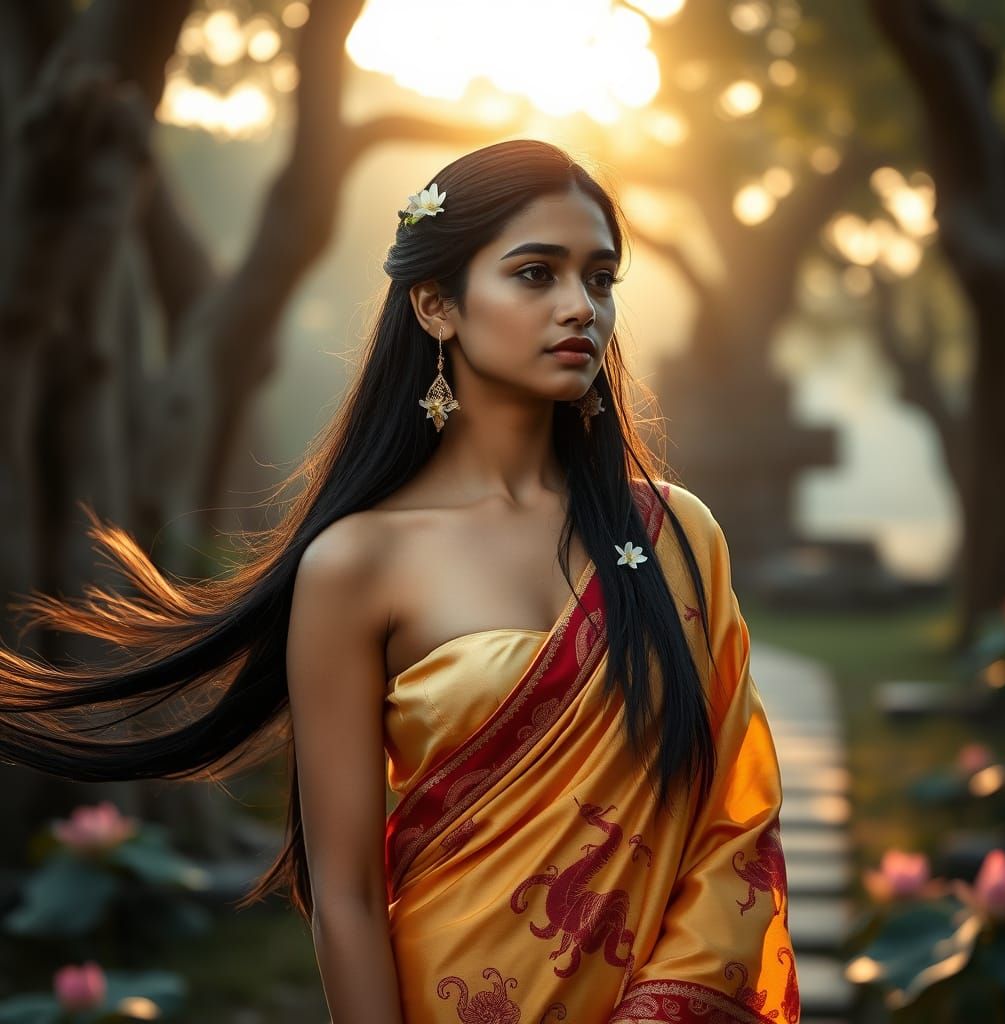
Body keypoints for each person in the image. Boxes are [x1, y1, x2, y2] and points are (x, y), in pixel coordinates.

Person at [0, 139, 799, 1023]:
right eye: (536, 274)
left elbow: (736, 815)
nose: (581, 308)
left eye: (601, 279)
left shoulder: (677, 534)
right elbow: (342, 893)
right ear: (436, 305)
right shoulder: (357, 565)